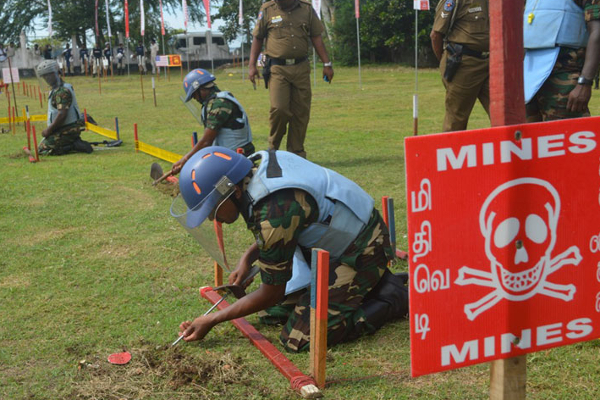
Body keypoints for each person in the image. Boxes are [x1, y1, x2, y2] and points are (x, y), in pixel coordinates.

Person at [172, 146, 409, 352]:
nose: (213, 218)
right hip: (339, 240)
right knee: (272, 313)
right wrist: (247, 258)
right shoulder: (256, 172)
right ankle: (367, 287)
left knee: (299, 337)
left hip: (362, 249)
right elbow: (288, 224)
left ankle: (391, 297)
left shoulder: (273, 210)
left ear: (232, 191)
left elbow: (271, 290)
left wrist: (212, 319)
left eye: (213, 208)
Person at [248, 0, 334, 159]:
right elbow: (258, 38)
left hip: (301, 68)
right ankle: (273, 148)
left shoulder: (306, 9)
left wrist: (327, 63)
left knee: (301, 111)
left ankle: (296, 153)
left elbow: (316, 37)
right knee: (279, 108)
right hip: (277, 69)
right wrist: (252, 65)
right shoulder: (267, 9)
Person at [523, 0, 600, 121]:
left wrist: (584, 83)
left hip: (564, 81)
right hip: (529, 79)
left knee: (567, 135)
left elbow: (597, 32)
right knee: (529, 137)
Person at [172, 69, 255, 175]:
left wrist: (185, 159)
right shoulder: (216, 101)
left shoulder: (220, 104)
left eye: (194, 95)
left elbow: (207, 141)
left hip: (237, 157)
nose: (195, 99)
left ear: (200, 89)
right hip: (228, 155)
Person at [430, 0, 490, 132]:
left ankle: (510, 151)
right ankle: (452, 150)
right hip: (464, 64)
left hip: (492, 63)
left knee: (504, 113)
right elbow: (436, 35)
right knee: (456, 119)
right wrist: (445, 61)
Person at [35, 60, 92, 155]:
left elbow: (62, 115)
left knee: (42, 150)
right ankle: (72, 141)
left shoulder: (61, 91)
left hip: (67, 130)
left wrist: (48, 130)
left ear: (57, 73)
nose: (46, 78)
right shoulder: (58, 88)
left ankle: (74, 145)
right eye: (44, 76)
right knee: (42, 145)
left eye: (49, 75)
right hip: (63, 128)